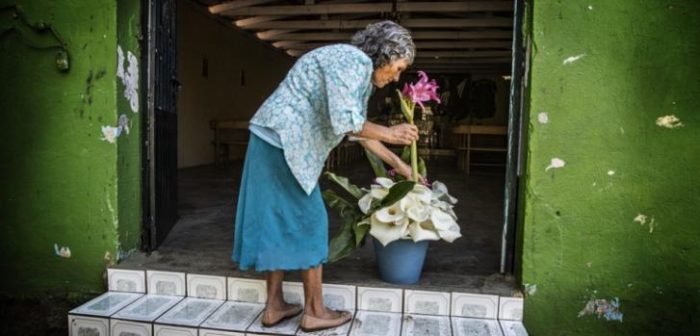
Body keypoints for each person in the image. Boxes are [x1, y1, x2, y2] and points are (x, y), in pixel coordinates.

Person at [232, 21, 418, 332]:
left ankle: (274, 306)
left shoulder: (354, 70)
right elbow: (348, 122)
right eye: (398, 68)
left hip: (270, 138)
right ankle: (315, 311)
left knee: (275, 220)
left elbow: (358, 129)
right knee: (311, 221)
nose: (396, 77)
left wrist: (397, 164)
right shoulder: (354, 61)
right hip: (285, 142)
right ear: (385, 54)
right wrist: (390, 132)